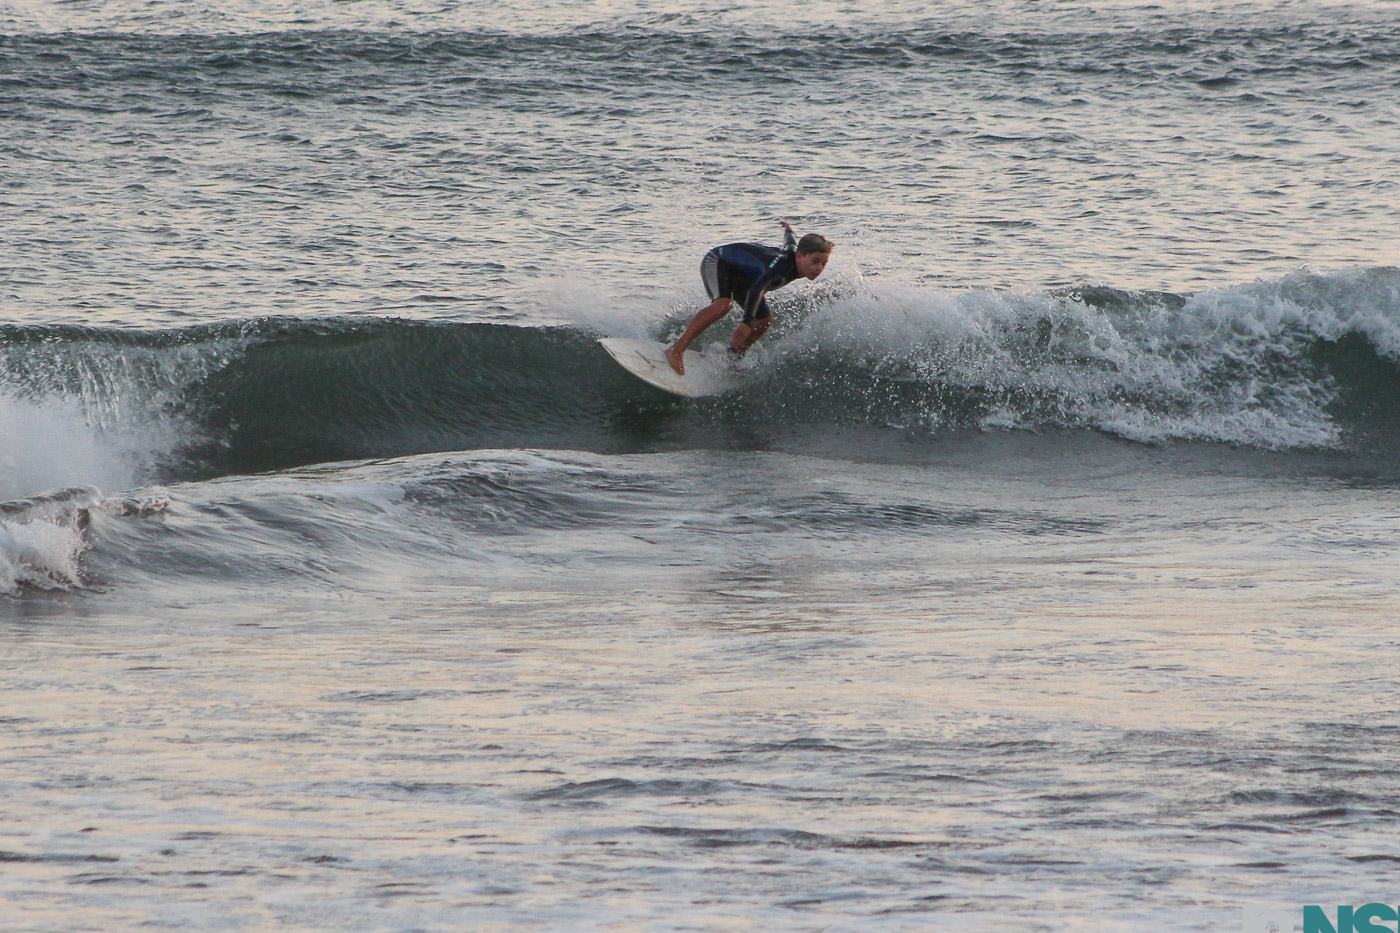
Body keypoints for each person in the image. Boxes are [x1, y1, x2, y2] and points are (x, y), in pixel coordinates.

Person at [665, 222, 834, 375]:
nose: (818, 268)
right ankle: (676, 350)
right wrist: (746, 322)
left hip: (741, 276)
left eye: (823, 263)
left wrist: (789, 230)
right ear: (799, 256)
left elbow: (790, 242)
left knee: (764, 320)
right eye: (815, 261)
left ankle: (732, 358)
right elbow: (757, 289)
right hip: (718, 261)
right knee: (723, 305)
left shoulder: (795, 255)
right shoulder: (781, 269)